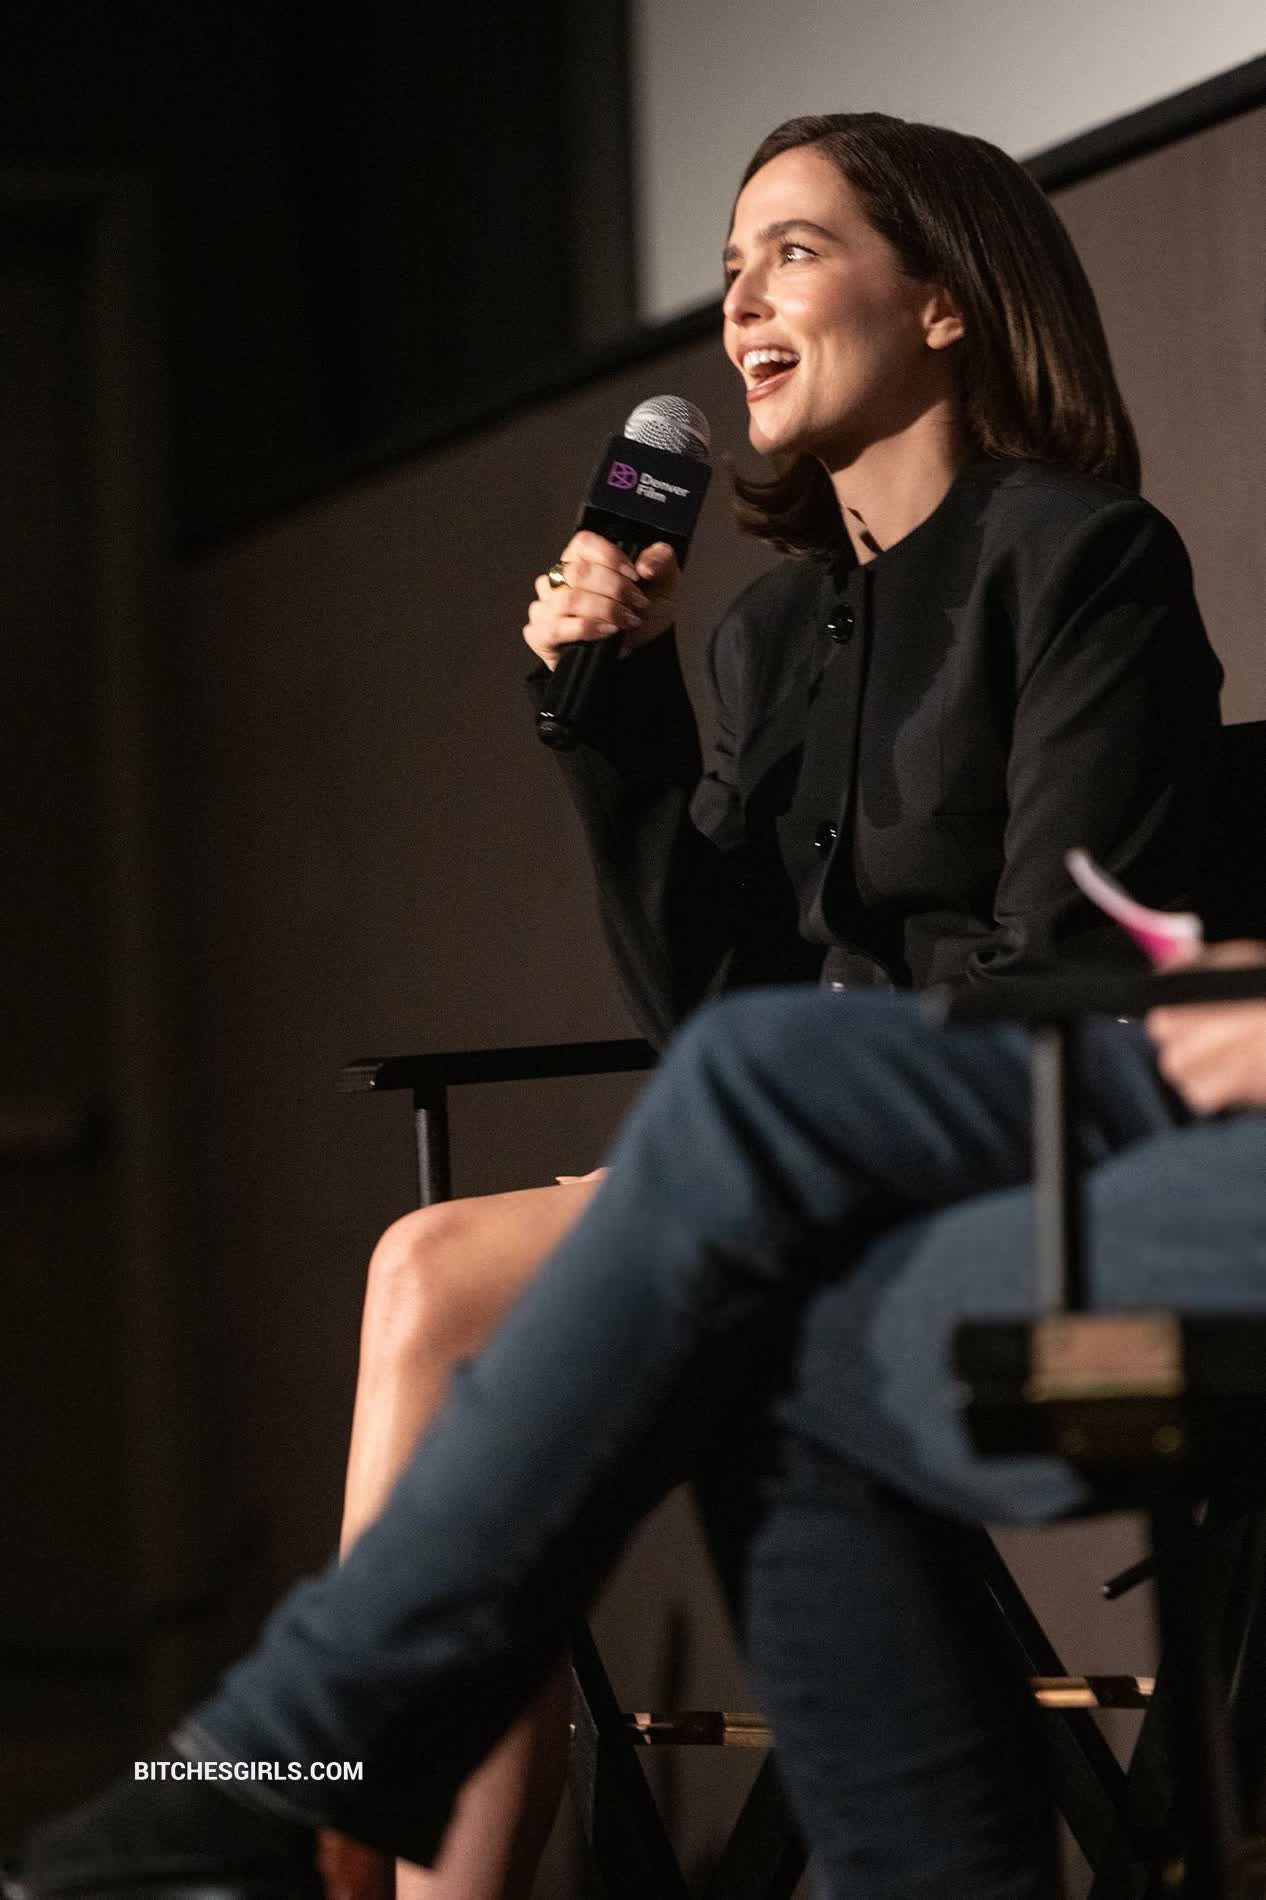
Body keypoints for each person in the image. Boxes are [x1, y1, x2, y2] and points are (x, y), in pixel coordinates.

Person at [10, 109, 1226, 1900]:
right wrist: (615, 715)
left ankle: (308, 1773)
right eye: (728, 264)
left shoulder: (1081, 558)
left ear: (945, 301)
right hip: (795, 1147)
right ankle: (337, 1800)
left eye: (793, 250)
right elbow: (708, 1007)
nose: (739, 298)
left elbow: (1073, 957)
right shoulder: (768, 636)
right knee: (429, 1270)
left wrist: (804, 1110)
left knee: (461, 1279)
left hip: (1014, 1150)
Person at [18, 946, 1266, 1900]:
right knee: (728, 1161)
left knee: (736, 1217)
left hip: (1099, 1095)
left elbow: (1033, 923)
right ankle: (287, 1775)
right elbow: (699, 964)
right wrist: (607, 729)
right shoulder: (779, 690)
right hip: (1127, 1097)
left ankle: (282, 1773)